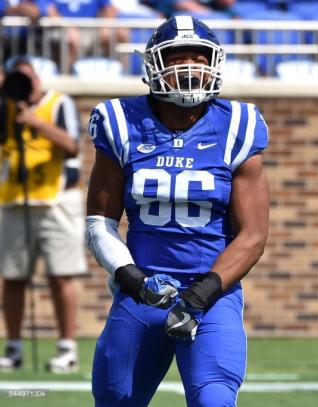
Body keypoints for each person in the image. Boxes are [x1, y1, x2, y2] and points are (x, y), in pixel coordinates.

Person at [85, 15, 269, 406]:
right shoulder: (120, 122)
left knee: (213, 400)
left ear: (215, 62)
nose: (190, 67)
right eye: (177, 57)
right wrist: (134, 280)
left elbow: (253, 236)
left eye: (200, 57)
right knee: (115, 400)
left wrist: (199, 296)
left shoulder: (238, 125)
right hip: (141, 296)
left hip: (211, 298)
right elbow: (100, 223)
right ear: (154, 65)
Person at [0, 56, 87, 373]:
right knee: (13, 276)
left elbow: (72, 145)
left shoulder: (59, 103)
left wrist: (35, 121)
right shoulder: (4, 105)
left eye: (28, 79)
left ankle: (67, 349)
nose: (24, 86)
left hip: (57, 200)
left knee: (60, 274)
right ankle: (13, 348)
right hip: (14, 199)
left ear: (39, 79)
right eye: (16, 79)